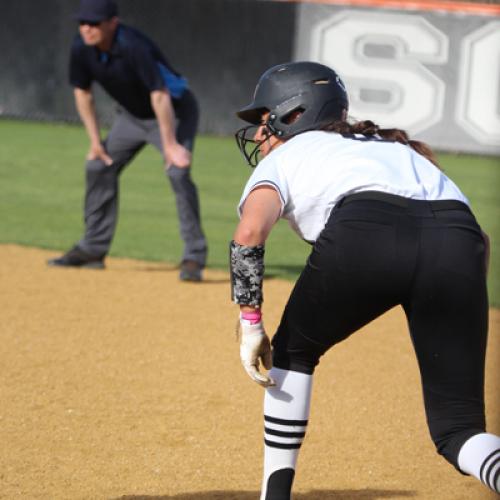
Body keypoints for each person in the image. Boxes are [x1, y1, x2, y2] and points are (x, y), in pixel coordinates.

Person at [230, 61, 499, 499]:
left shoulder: (292, 153)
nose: (259, 135)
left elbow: (249, 234)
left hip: (366, 229)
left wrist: (250, 322)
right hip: (459, 243)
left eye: (264, 122)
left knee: (293, 353)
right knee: (458, 431)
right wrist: (444, 308)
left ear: (294, 114)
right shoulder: (396, 149)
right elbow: (480, 243)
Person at [48, 0, 207, 281]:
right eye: (82, 22)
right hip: (132, 117)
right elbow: (82, 93)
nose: (87, 28)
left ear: (113, 23)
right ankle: (93, 249)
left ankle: (193, 257)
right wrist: (95, 142)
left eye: (94, 23)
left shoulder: (134, 46)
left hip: (173, 112)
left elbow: (160, 95)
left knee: (178, 172)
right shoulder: (81, 47)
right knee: (98, 166)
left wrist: (170, 145)